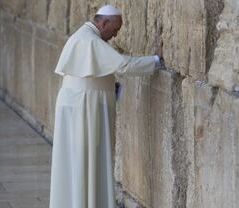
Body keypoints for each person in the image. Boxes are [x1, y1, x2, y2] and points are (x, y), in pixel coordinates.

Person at [49, 4, 163, 208]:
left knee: (81, 163)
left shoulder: (85, 36)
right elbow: (123, 65)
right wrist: (155, 60)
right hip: (85, 108)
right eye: (115, 29)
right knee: (85, 162)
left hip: (82, 105)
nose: (115, 35)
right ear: (103, 23)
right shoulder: (89, 40)